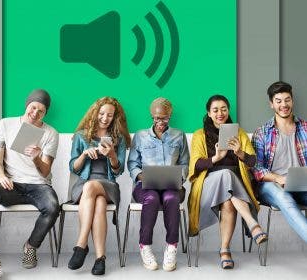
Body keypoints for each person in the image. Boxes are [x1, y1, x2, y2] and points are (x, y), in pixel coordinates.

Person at [0, 89, 60, 279]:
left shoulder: (51, 133)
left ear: (45, 113)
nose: (35, 113)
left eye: (41, 111)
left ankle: (30, 246)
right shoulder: (5, 124)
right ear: (27, 105)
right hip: (12, 184)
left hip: (39, 185)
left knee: (52, 206)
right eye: (33, 108)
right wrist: (1, 176)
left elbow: (46, 171)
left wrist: (36, 158)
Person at [188, 95, 267, 269]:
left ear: (228, 110)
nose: (220, 113)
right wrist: (216, 158)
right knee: (225, 174)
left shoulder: (239, 133)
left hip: (233, 188)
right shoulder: (199, 134)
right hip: (208, 185)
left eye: (224, 109)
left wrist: (240, 153)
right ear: (209, 113)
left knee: (229, 203)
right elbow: (195, 165)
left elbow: (253, 162)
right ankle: (253, 224)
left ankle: (225, 251)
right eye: (215, 110)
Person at [67, 97, 130, 275]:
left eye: (110, 115)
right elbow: (73, 167)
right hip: (83, 185)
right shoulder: (81, 135)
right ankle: (100, 258)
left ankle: (81, 244)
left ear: (115, 117)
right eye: (102, 114)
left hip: (108, 185)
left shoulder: (118, 139)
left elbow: (119, 171)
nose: (105, 118)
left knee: (92, 186)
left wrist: (111, 155)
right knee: (99, 202)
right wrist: (84, 155)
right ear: (95, 113)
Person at [127, 97, 189, 272]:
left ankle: (171, 246)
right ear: (152, 116)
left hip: (172, 186)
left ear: (170, 116)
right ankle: (145, 246)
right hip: (145, 186)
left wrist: (179, 178)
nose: (160, 122)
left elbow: (185, 163)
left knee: (170, 198)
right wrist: (142, 176)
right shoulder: (140, 136)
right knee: (152, 199)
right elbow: (132, 163)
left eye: (164, 118)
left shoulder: (179, 135)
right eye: (156, 118)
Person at [252, 81, 307, 243]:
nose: (284, 104)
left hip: (302, 185)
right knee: (285, 199)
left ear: (292, 101)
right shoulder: (262, 132)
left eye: (287, 99)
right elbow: (256, 169)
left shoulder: (305, 128)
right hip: (271, 186)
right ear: (271, 104)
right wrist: (278, 178)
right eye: (279, 101)